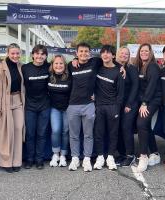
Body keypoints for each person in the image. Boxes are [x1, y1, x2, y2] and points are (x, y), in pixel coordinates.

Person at [67, 42, 101, 172]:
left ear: (90, 53)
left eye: (86, 51)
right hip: (73, 105)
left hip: (89, 105)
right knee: (74, 135)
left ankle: (87, 158)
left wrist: (122, 67)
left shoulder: (95, 62)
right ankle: (75, 158)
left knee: (88, 134)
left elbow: (111, 61)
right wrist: (74, 60)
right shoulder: (71, 65)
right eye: (81, 51)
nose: (83, 54)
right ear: (76, 53)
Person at [0, 43, 25, 173]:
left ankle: (16, 161)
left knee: (18, 128)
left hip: (18, 100)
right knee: (7, 132)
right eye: (13, 53)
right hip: (4, 102)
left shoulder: (21, 66)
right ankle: (6, 162)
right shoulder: (0, 68)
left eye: (17, 53)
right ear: (8, 53)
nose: (15, 56)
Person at [93, 45, 124, 170]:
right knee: (99, 133)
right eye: (103, 53)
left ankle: (110, 157)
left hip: (112, 107)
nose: (105, 55)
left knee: (113, 133)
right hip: (99, 106)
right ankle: (100, 157)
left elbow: (120, 94)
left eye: (108, 53)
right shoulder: (97, 68)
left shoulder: (118, 72)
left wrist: (117, 109)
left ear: (113, 56)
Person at [22, 45, 50, 170]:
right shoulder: (25, 68)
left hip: (45, 106)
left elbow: (64, 68)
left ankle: (39, 159)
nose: (40, 56)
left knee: (42, 134)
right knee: (30, 134)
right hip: (30, 106)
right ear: (32, 55)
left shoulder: (49, 67)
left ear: (46, 56)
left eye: (42, 54)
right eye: (37, 54)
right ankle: (29, 159)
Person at [134, 43, 162, 172]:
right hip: (143, 101)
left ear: (150, 53)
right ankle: (155, 153)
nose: (144, 53)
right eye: (142, 51)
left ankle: (143, 156)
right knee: (145, 125)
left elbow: (151, 86)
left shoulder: (152, 66)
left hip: (152, 100)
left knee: (141, 123)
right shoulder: (140, 66)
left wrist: (144, 103)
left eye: (146, 51)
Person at [116, 47, 139, 167]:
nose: (124, 55)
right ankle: (122, 154)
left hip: (130, 104)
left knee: (126, 128)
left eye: (126, 54)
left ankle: (130, 155)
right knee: (118, 128)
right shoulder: (113, 67)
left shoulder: (132, 68)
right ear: (117, 54)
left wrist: (129, 104)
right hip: (117, 104)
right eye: (122, 53)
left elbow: (135, 87)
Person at [47, 55, 71, 167]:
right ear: (52, 65)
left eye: (61, 63)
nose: (58, 65)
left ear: (64, 65)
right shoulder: (48, 75)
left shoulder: (69, 76)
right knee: (56, 130)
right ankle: (55, 154)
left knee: (65, 131)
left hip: (67, 108)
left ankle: (63, 155)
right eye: (56, 63)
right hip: (54, 108)